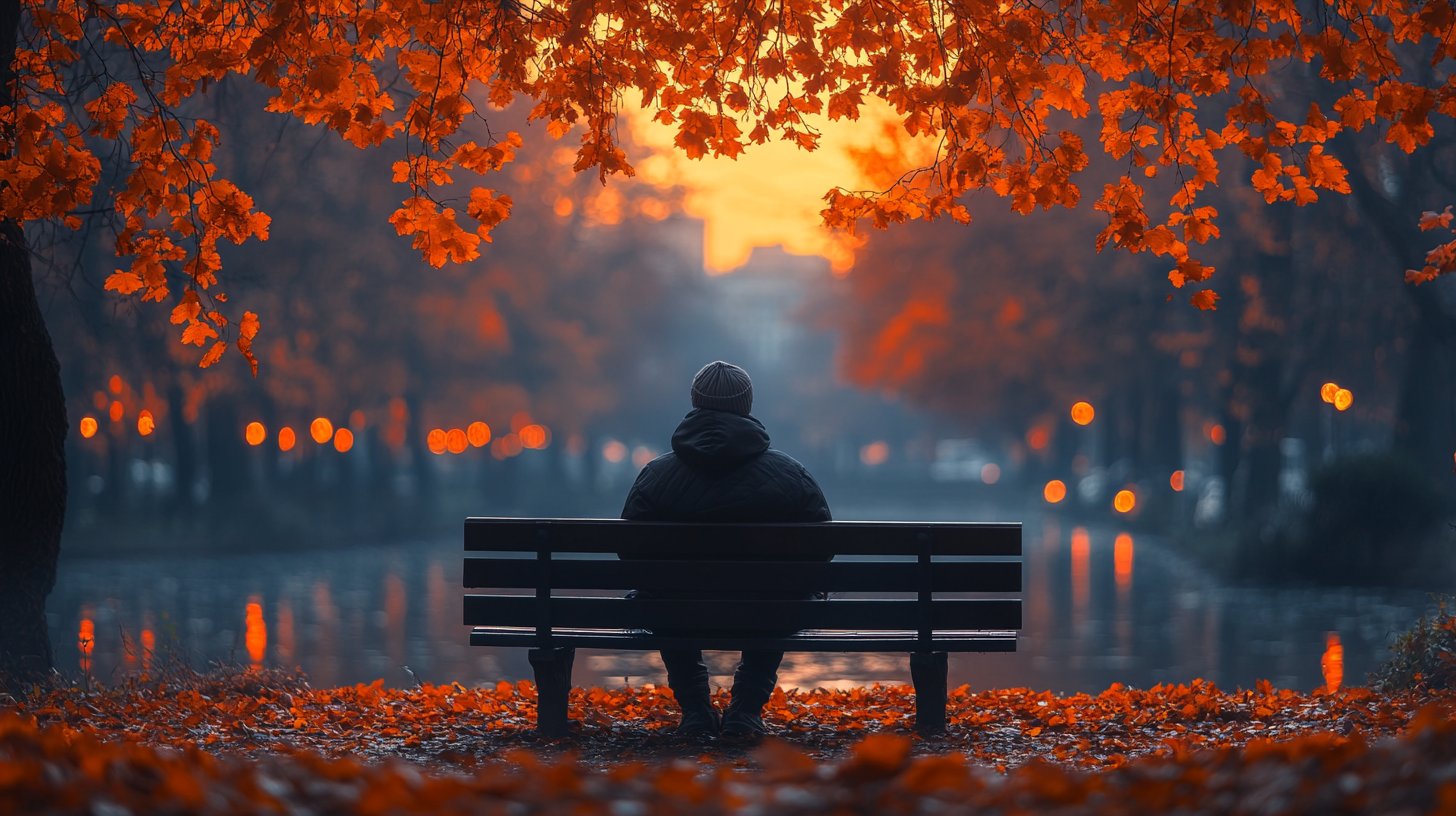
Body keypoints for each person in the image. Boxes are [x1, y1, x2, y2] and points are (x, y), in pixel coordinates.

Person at [620, 360, 832, 739]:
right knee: (781, 596)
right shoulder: (790, 474)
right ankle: (745, 712)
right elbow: (823, 547)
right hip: (768, 611)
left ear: (695, 401)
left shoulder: (655, 474)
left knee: (662, 597)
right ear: (747, 405)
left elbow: (629, 551)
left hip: (676, 610)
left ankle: (696, 712)